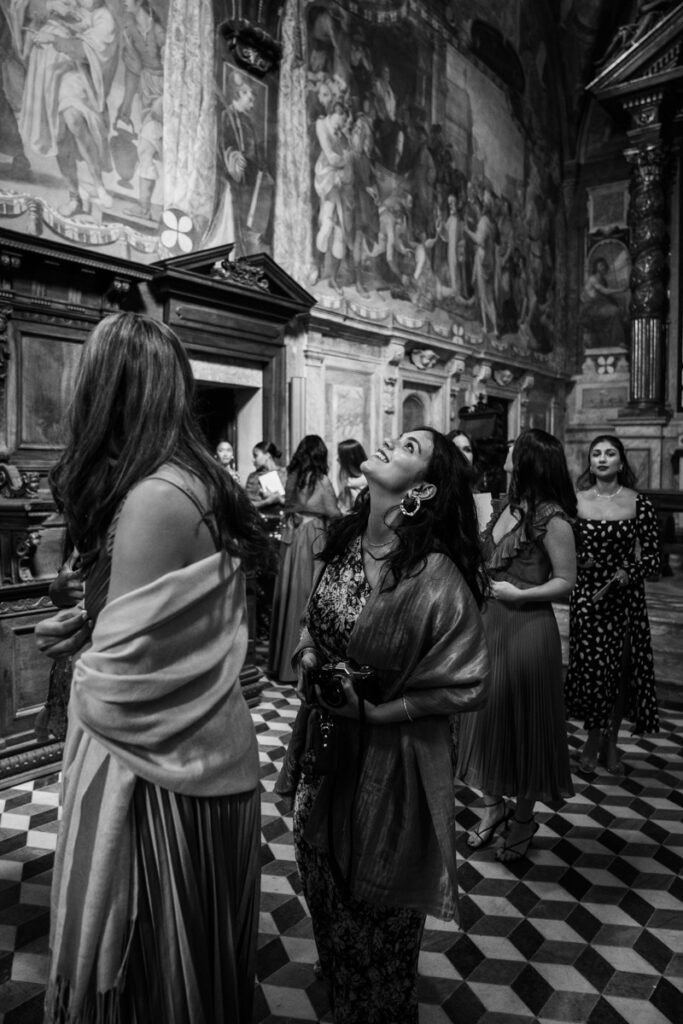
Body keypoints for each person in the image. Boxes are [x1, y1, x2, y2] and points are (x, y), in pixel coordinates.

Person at [35, 312, 267, 1023]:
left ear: (107, 389)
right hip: (204, 748)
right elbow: (163, 633)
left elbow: (118, 692)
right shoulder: (197, 480)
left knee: (153, 978)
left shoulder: (154, 498)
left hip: (162, 770)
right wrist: (91, 628)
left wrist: (84, 658)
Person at [275, 427, 489, 1023]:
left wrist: (372, 711)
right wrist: (308, 657)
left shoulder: (435, 574)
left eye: (412, 447)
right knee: (324, 889)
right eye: (399, 437)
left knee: (379, 922)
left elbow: (465, 683)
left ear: (424, 489)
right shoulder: (343, 544)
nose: (394, 442)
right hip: (325, 756)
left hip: (391, 771)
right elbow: (313, 626)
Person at [457, 429, 576, 862]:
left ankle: (523, 818)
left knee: (525, 723)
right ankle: (492, 809)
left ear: (529, 463)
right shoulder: (505, 507)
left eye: (512, 454)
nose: (505, 460)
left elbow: (566, 582)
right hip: (489, 625)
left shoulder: (553, 518)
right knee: (484, 719)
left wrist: (519, 594)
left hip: (528, 629)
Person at [564, 434, 661, 774]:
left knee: (619, 674)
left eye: (610, 453)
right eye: (596, 454)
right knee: (593, 674)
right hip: (589, 599)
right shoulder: (575, 503)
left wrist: (628, 571)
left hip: (624, 599)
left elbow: (653, 558)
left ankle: (612, 742)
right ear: (590, 463)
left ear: (621, 461)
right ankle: (592, 740)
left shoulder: (639, 503)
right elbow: (564, 551)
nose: (602, 459)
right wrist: (580, 560)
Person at [268, 435, 339, 683]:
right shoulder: (321, 480)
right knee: (309, 595)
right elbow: (333, 511)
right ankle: (304, 663)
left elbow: (287, 505)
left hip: (294, 535)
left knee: (290, 593)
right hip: (314, 536)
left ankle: (281, 663)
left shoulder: (293, 477)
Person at [245, 440, 286, 511]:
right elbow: (247, 505)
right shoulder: (253, 477)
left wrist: (279, 498)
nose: (253, 460)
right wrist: (267, 502)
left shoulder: (284, 473)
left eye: (255, 456)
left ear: (267, 455)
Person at [336, 438, 367, 513]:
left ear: (350, 457)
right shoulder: (344, 477)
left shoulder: (368, 479)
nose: (337, 459)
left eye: (340, 456)